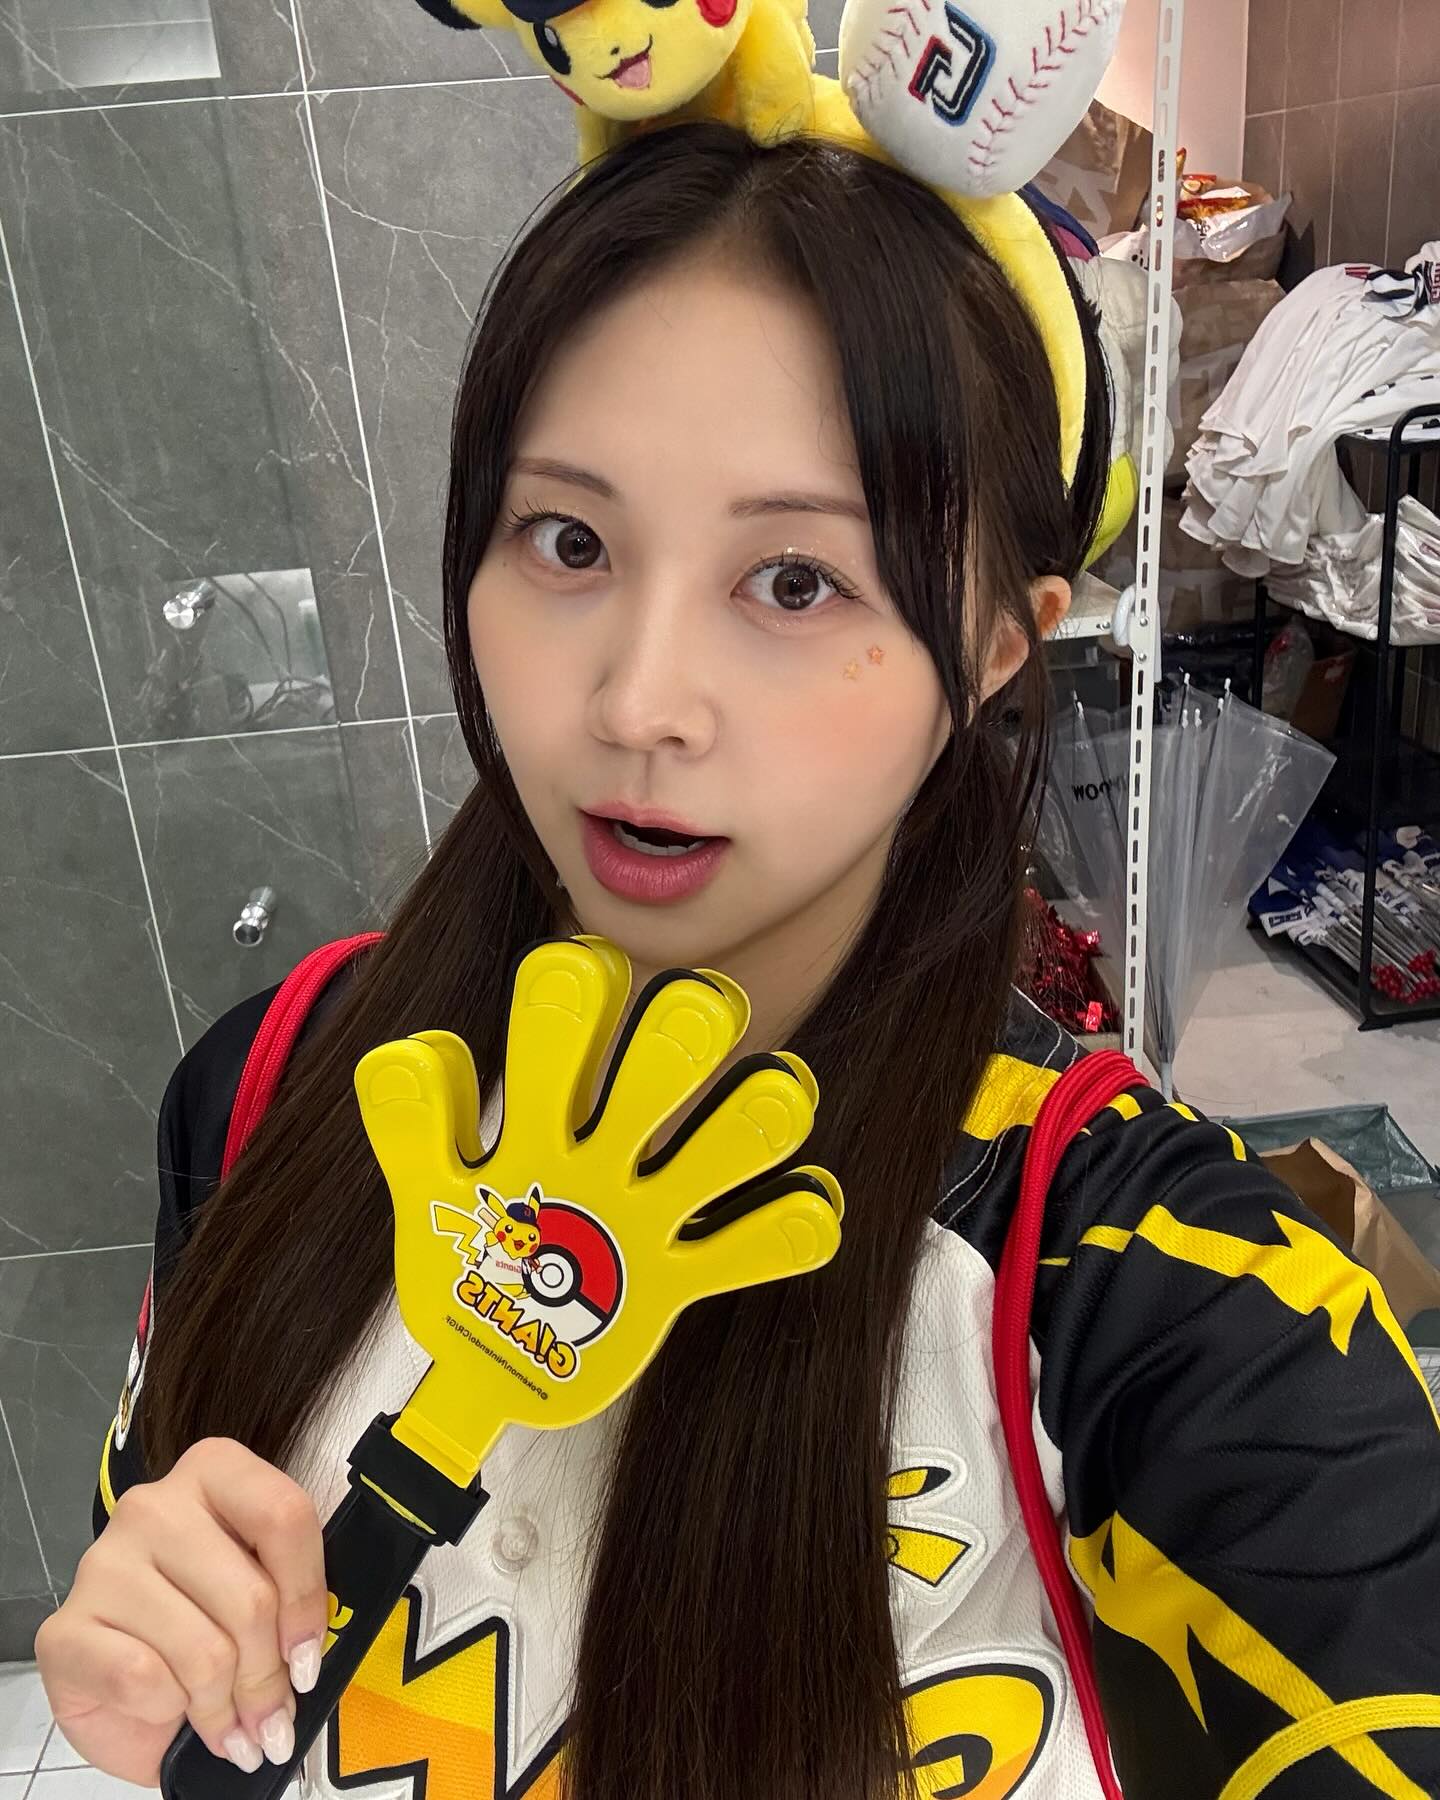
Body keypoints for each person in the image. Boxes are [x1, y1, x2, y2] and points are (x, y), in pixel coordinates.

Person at [35, 122, 1440, 1800]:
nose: (639, 703)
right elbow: (173, 1567)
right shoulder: (277, 1082)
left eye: (794, 579)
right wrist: (151, 1664)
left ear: (999, 647)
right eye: (568, 542)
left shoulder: (1146, 1291)